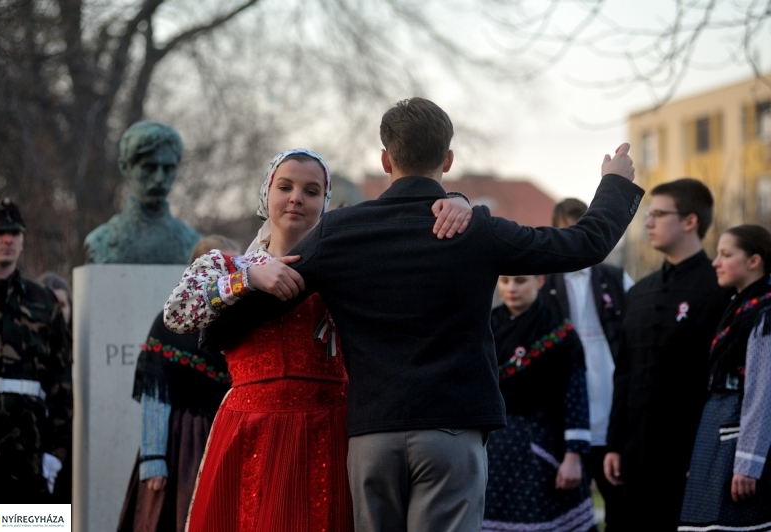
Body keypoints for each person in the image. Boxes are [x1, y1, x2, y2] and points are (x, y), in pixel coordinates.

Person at [198, 98, 642, 531]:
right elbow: (583, 245)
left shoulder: (340, 232)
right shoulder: (473, 227)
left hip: (372, 434)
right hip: (453, 429)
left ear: (385, 159)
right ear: (447, 159)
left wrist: (225, 313)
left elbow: (267, 300)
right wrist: (615, 183)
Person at [164, 148, 475, 531]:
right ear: (267, 194)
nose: (296, 197)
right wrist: (248, 280)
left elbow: (406, 243)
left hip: (328, 431)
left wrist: (454, 202)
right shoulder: (225, 266)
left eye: (311, 191)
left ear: (324, 203)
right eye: (286, 186)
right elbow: (177, 314)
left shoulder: (347, 269)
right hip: (248, 428)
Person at [604, 179, 732, 531]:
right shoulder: (640, 291)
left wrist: (711, 450)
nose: (648, 222)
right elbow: (624, 373)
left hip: (693, 451)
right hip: (636, 451)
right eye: (647, 214)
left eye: (658, 214)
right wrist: (614, 443)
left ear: (690, 221)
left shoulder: (721, 289)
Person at [118, 235, 240, 532]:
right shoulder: (170, 324)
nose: (231, 274)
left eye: (235, 267)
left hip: (225, 435)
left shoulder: (240, 323)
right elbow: (156, 394)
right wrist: (154, 459)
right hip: (182, 442)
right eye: (223, 267)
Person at [0, 196, 73, 503]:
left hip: (28, 460)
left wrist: (55, 454)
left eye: (15, 233)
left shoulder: (45, 303)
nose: (7, 239)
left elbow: (61, 385)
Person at [540, 197, 632, 531]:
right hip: (564, 411)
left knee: (620, 500)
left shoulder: (615, 278)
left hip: (611, 398)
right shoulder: (543, 282)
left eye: (580, 227)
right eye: (565, 230)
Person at [484, 274, 597, 532]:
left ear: (540, 281)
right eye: (504, 281)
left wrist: (573, 456)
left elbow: (576, 396)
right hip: (492, 453)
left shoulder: (560, 332)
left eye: (520, 280)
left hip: (544, 450)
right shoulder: (484, 326)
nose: (511, 288)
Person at [677, 225, 771, 530]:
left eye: (726, 254)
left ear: (754, 261)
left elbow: (762, 392)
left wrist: (747, 463)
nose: (715, 262)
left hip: (739, 440)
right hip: (718, 433)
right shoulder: (737, 307)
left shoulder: (764, 313)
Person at [84, 120, 200, 264]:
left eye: (168, 168)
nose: (159, 179)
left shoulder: (193, 245)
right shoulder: (101, 243)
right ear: (125, 168)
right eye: (149, 167)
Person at [37, 271, 74, 504]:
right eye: (50, 304)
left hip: (68, 455)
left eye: (61, 304)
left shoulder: (79, 349)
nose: (57, 312)